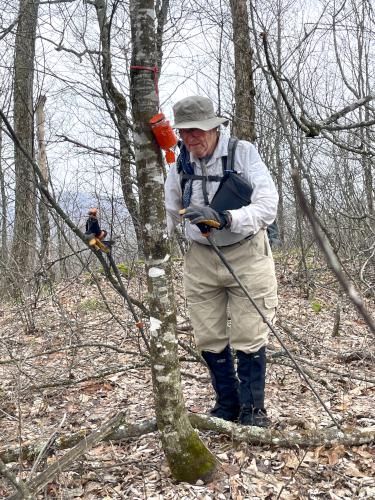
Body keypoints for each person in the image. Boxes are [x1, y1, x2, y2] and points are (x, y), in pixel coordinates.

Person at [164, 95, 278, 427]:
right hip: (200, 257)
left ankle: (253, 411)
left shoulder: (243, 153)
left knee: (250, 332)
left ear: (214, 127)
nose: (190, 138)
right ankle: (226, 405)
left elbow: (268, 205)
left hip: (246, 252)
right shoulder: (179, 163)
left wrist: (225, 218)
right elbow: (168, 213)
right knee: (208, 335)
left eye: (197, 131)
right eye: (184, 132)